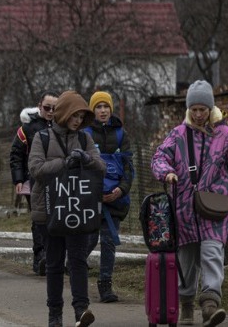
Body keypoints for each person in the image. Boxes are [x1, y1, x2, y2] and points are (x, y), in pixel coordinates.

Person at [151, 80, 228, 327]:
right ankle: (185, 307)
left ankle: (210, 304)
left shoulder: (224, 134)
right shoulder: (178, 134)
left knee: (212, 252)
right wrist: (167, 173)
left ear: (210, 108)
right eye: (193, 109)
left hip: (214, 206)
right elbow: (159, 157)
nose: (197, 115)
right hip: (184, 210)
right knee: (186, 260)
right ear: (188, 109)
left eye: (202, 109)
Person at [29, 91, 103, 327]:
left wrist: (86, 159)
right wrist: (63, 163)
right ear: (63, 113)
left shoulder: (84, 139)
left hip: (77, 209)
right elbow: (36, 169)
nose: (78, 120)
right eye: (74, 115)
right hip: (49, 210)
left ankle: (81, 310)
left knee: (78, 261)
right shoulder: (42, 137)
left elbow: (101, 167)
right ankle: (55, 315)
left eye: (81, 116)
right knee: (53, 263)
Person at [84, 91, 133, 304]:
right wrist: (95, 192)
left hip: (115, 199)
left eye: (106, 107)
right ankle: (72, 268)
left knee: (108, 241)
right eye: (98, 107)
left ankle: (105, 285)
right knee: (88, 239)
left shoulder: (122, 134)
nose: (103, 111)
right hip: (90, 198)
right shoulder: (84, 134)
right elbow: (80, 167)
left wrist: (121, 190)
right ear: (92, 110)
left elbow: (129, 167)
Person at [9, 90, 59, 275]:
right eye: (47, 107)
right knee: (39, 219)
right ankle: (40, 256)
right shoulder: (27, 128)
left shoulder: (62, 126)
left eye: (55, 108)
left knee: (56, 217)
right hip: (34, 180)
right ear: (40, 106)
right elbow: (16, 155)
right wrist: (18, 179)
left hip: (57, 180)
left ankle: (55, 255)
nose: (51, 111)